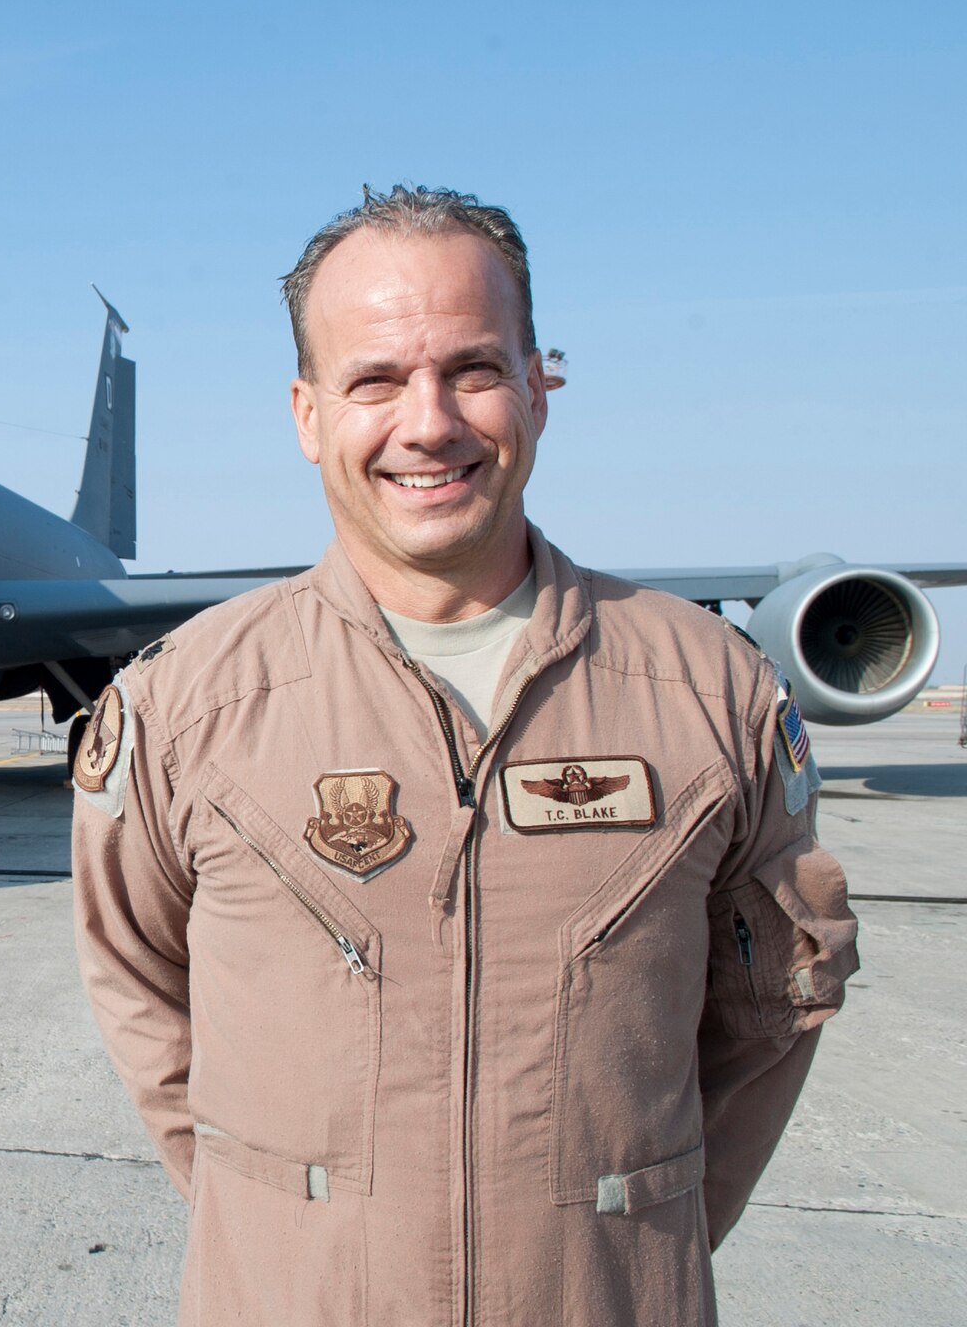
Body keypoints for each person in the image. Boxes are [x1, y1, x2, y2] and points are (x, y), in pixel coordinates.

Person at [71, 185, 857, 1325]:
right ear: (305, 414)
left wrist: (620, 1241)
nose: (427, 421)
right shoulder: (188, 704)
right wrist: (293, 1228)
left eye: (473, 369)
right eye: (374, 379)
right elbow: (138, 984)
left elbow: (768, 1012)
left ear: (539, 384)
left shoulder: (711, 692)